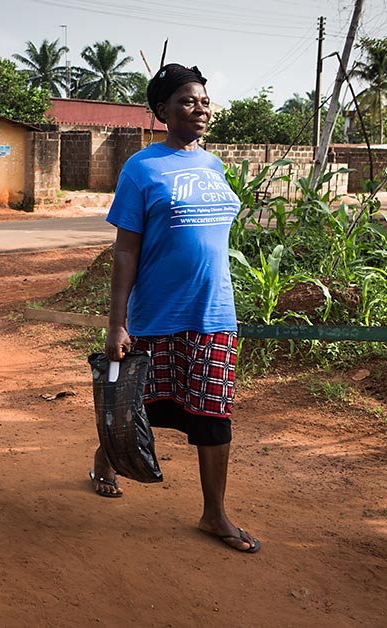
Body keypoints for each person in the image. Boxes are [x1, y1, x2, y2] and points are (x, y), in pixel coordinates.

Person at [89, 63, 260, 553]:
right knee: (139, 405)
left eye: (204, 100)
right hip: (157, 313)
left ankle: (214, 513)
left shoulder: (213, 165)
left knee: (212, 413)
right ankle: (106, 459)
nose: (200, 108)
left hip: (214, 312)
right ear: (162, 111)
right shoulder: (141, 167)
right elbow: (126, 250)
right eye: (188, 100)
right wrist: (116, 323)